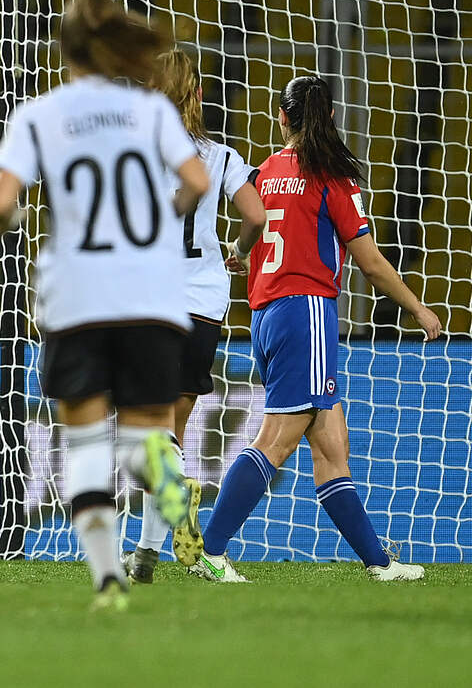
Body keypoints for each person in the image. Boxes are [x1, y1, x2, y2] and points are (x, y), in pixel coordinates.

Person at [0, 0, 212, 610]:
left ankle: (107, 578)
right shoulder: (151, 112)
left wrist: (18, 227)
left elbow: (0, 202)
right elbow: (196, 182)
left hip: (78, 293)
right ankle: (166, 485)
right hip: (152, 294)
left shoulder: (39, 114)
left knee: (85, 444)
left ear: (63, 54)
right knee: (144, 437)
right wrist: (160, 221)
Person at [191, 75, 442, 583]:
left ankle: (378, 562)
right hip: (305, 312)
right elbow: (369, 263)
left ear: (281, 118)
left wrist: (239, 255)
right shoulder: (331, 177)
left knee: (330, 448)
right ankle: (209, 549)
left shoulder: (261, 173)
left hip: (265, 317)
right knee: (275, 442)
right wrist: (418, 309)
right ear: (328, 117)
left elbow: (252, 227)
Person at [121, 49, 268, 584]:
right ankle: (146, 556)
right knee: (171, 433)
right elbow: (257, 214)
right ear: (200, 94)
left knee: (153, 435)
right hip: (204, 304)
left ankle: (185, 539)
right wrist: (241, 247)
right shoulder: (221, 156)